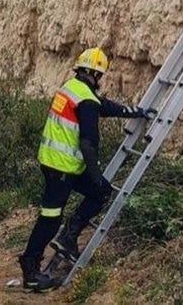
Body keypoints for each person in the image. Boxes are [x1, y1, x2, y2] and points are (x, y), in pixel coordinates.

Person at [17, 47, 153, 292]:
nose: (100, 80)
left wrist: (134, 111)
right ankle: (31, 272)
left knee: (98, 193)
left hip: (55, 163)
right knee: (51, 218)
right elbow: (88, 144)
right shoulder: (86, 100)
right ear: (94, 74)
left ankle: (68, 236)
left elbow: (103, 106)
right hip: (62, 168)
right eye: (99, 75)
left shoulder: (72, 88)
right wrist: (96, 175)